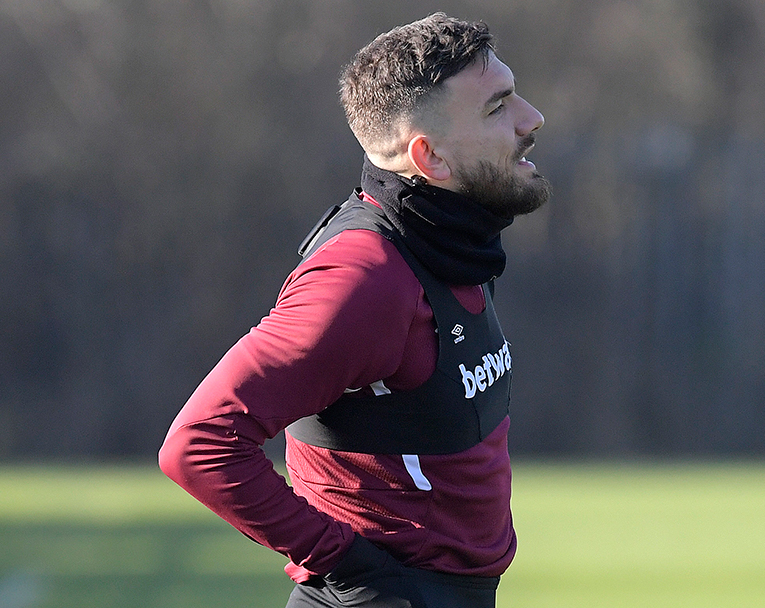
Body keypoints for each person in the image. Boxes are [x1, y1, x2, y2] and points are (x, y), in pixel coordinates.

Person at [159, 12, 551, 608]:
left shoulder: (453, 239)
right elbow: (200, 443)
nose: (532, 120)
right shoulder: (364, 279)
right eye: (498, 108)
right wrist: (349, 567)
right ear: (430, 158)